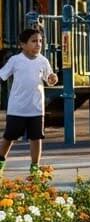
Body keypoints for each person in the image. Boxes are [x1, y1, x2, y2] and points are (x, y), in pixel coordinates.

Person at [0, 28, 59, 176]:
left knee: (36, 138)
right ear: (23, 44)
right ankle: (1, 161)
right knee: (9, 137)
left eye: (40, 41)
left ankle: (35, 167)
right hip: (17, 108)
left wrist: (53, 79)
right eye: (33, 41)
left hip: (36, 108)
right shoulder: (15, 60)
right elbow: (2, 76)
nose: (38, 44)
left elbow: (49, 79)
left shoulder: (43, 60)